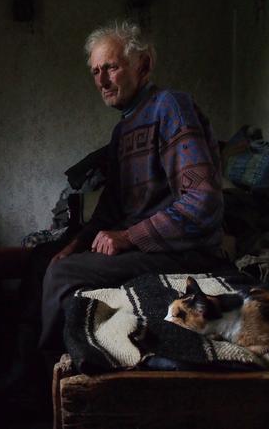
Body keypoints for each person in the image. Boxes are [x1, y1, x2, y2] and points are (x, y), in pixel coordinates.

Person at [39, 20, 228, 352]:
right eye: (95, 72)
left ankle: (38, 374)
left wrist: (126, 237)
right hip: (142, 248)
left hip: (184, 252)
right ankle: (23, 359)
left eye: (110, 67)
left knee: (62, 276)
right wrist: (73, 244)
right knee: (45, 260)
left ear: (144, 65)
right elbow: (110, 209)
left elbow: (203, 201)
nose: (101, 80)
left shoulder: (170, 106)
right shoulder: (122, 132)